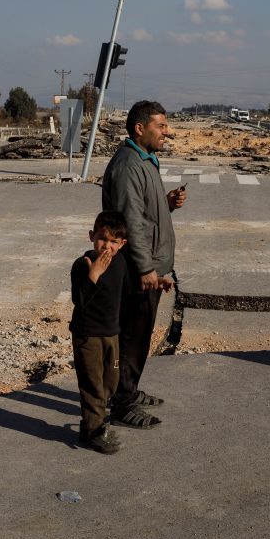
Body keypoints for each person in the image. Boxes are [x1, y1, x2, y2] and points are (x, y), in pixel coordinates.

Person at [102, 100, 186, 430]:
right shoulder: (128, 166)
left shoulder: (145, 161)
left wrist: (167, 203)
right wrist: (146, 269)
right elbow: (130, 222)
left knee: (139, 334)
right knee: (133, 336)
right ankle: (122, 402)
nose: (167, 131)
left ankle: (128, 390)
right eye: (161, 126)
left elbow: (145, 212)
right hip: (138, 269)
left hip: (148, 264)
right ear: (141, 129)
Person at [69, 210, 131, 454]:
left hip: (111, 333)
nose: (107, 246)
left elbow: (125, 294)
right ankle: (93, 430)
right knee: (92, 384)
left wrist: (157, 282)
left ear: (122, 244)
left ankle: (93, 421)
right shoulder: (82, 265)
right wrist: (93, 275)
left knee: (110, 381)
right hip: (87, 335)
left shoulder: (121, 263)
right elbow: (79, 300)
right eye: (103, 239)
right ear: (92, 236)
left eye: (114, 241)